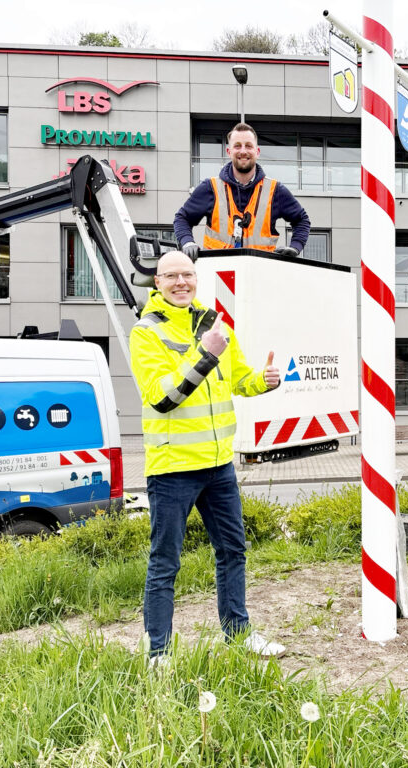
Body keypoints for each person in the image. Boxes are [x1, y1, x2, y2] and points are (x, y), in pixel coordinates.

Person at [129, 250, 285, 660]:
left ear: (196, 279)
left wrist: (263, 382)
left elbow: (238, 380)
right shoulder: (146, 332)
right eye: (171, 276)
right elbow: (163, 398)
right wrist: (206, 354)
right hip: (174, 469)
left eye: (188, 275)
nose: (181, 282)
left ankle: (239, 633)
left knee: (233, 551)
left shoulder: (214, 323)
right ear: (157, 283)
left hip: (218, 467)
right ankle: (157, 654)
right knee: (165, 563)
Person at [173, 123, 310, 257]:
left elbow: (302, 220)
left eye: (248, 146)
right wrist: (187, 242)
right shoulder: (211, 188)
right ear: (229, 151)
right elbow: (182, 218)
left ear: (257, 152)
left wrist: (295, 247)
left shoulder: (275, 191)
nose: (243, 151)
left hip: (259, 273)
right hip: (219, 274)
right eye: (237, 146)